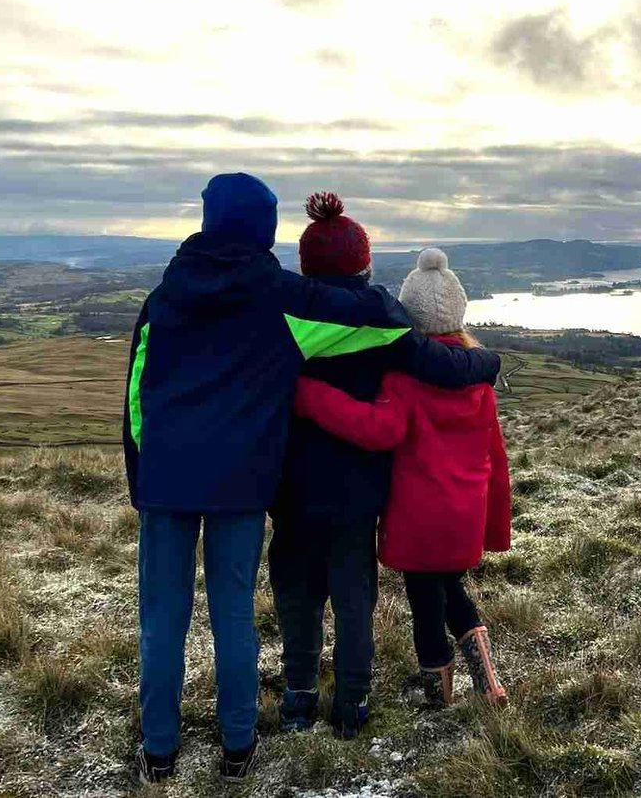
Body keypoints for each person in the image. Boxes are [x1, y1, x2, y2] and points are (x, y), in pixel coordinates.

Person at [122, 176, 500, 784]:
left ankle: (159, 752)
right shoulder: (281, 300)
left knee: (162, 617)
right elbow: (375, 315)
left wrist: (145, 477)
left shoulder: (164, 296)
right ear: (266, 230)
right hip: (242, 486)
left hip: (167, 480)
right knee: (233, 615)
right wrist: (482, 360)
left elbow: (138, 396)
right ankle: (238, 747)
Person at [293, 247, 513, 711]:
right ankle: (487, 678)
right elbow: (496, 458)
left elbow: (376, 430)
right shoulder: (479, 383)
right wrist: (494, 521)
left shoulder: (405, 380)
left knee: (425, 600)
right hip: (464, 512)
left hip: (419, 514)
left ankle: (437, 691)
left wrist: (310, 395)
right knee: (450, 585)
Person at [268, 192, 455, 739]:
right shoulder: (385, 318)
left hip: (292, 489)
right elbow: (435, 363)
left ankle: (299, 696)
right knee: (354, 602)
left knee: (297, 597)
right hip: (357, 492)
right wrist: (484, 362)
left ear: (304, 266)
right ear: (364, 263)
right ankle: (352, 703)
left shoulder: (283, 319)